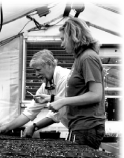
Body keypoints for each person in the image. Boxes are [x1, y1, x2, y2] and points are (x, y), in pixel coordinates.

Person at [37, 17, 106, 149]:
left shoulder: (88, 58)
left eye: (63, 39)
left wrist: (62, 102)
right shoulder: (80, 58)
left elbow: (96, 95)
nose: (61, 44)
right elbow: (81, 94)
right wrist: (52, 98)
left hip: (87, 127)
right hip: (79, 126)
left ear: (74, 36)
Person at [0, 50, 70, 138]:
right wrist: (6, 127)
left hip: (85, 125)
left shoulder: (64, 78)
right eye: (35, 71)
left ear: (50, 64)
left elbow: (57, 114)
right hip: (73, 126)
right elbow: (30, 111)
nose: (36, 74)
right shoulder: (46, 85)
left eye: (38, 70)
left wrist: (34, 126)